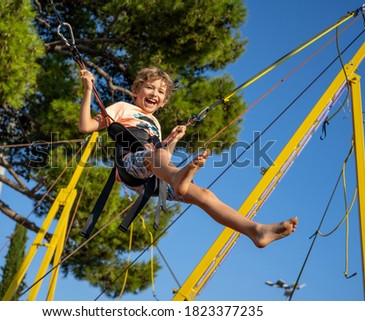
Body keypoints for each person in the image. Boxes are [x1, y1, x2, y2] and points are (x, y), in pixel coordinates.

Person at [78, 66, 297, 248]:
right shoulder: (122, 108)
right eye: (150, 87)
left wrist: (173, 139)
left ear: (163, 102)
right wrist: (88, 89)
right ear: (136, 91)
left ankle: (256, 231)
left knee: (204, 194)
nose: (155, 93)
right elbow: (86, 126)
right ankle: (178, 178)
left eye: (160, 92)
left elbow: (164, 158)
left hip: (155, 175)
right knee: (157, 158)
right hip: (130, 166)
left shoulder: (155, 124)